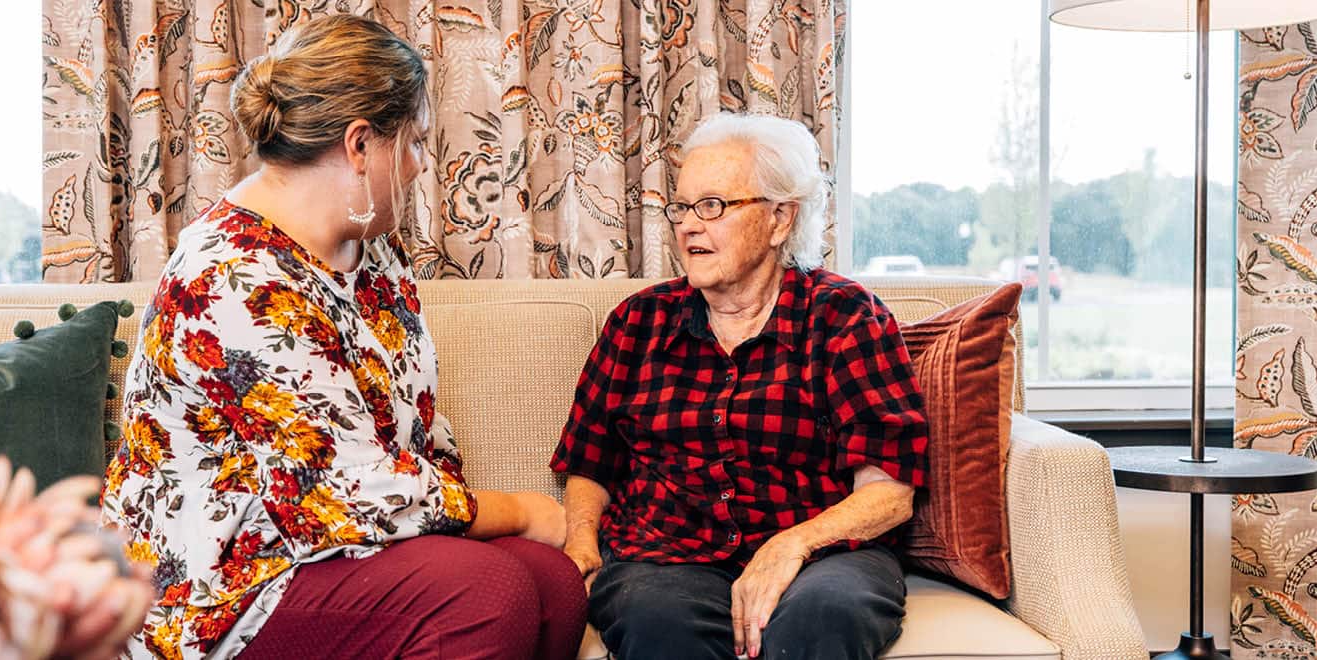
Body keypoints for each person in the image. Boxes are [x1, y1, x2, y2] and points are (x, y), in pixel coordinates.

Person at [102, 15, 585, 660]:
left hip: (338, 542)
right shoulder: (234, 277)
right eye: (411, 142)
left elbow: (413, 439)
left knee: (553, 582)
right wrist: (520, 512)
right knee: (485, 594)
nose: (418, 166)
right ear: (360, 144)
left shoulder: (371, 252)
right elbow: (352, 488)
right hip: (224, 584)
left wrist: (463, 521)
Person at [552, 112, 930, 660]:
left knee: (824, 616)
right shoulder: (637, 323)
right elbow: (591, 462)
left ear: (780, 219)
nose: (687, 226)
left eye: (713, 206)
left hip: (822, 557)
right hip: (667, 557)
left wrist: (791, 545)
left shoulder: (846, 317)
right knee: (657, 620)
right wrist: (582, 540)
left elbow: (890, 492)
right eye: (681, 208)